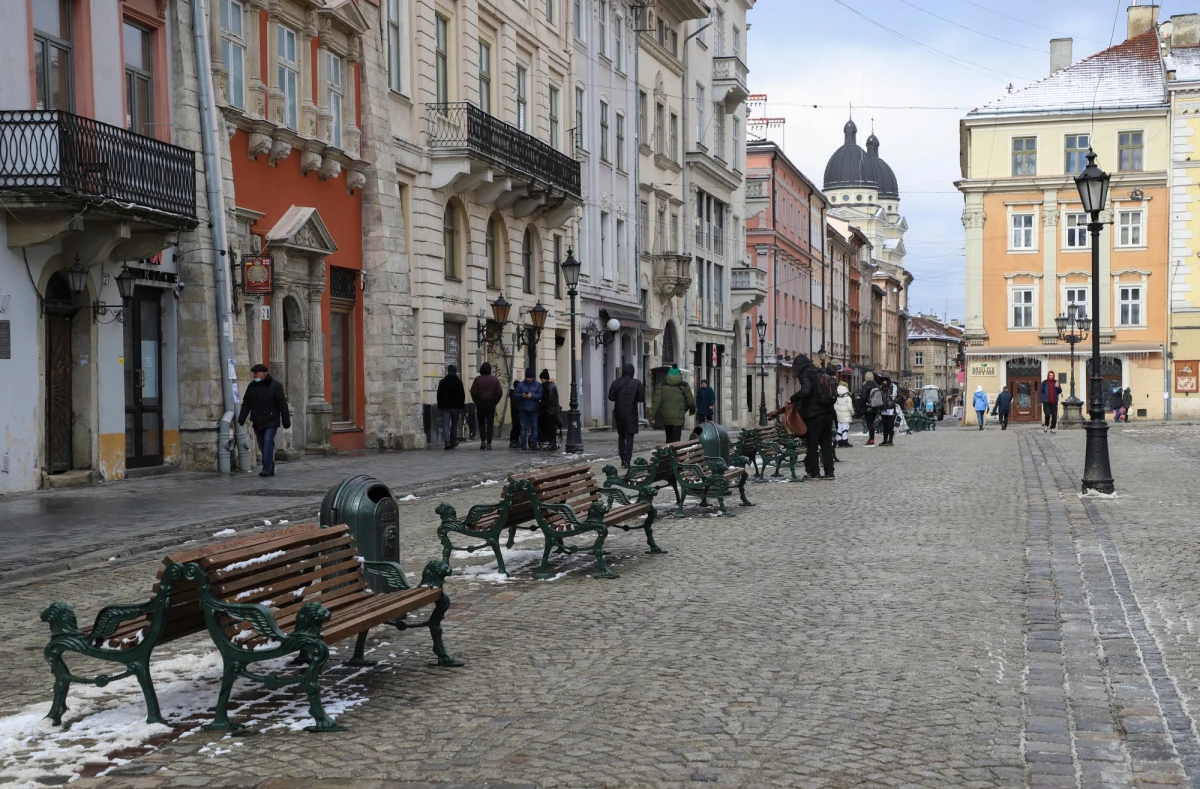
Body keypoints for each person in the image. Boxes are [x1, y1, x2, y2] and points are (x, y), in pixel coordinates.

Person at [237, 363, 290, 477]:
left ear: (264, 373)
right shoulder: (252, 386)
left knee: (267, 442)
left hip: (271, 420)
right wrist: (242, 417)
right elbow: (246, 403)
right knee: (262, 446)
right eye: (253, 373)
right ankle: (270, 467)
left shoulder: (275, 385)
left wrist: (286, 420)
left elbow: (282, 404)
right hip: (257, 420)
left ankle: (266, 468)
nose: (254, 375)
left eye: (256, 373)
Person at [791, 354, 837, 479]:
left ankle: (814, 472)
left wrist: (793, 398)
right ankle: (829, 472)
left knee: (812, 444)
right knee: (826, 444)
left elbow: (806, 391)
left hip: (814, 415)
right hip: (828, 414)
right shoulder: (820, 372)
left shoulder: (806, 374)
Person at [608, 362, 645, 467]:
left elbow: (611, 397)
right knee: (630, 438)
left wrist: (619, 398)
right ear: (632, 371)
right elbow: (641, 398)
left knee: (621, 436)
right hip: (631, 413)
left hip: (619, 413)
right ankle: (628, 460)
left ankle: (622, 459)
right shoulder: (637, 383)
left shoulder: (616, 383)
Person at [649, 365, 695, 443]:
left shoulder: (662, 385)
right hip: (678, 417)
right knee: (677, 440)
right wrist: (691, 410)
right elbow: (690, 401)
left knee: (669, 438)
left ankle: (669, 454)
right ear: (679, 374)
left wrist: (652, 417)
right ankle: (675, 454)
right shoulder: (684, 385)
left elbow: (657, 402)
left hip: (667, 416)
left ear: (669, 374)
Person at [470, 362, 503, 450]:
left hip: (480, 403)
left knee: (481, 423)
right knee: (489, 424)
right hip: (491, 404)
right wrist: (495, 401)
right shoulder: (494, 380)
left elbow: (473, 392)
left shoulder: (477, 379)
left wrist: (476, 401)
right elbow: (499, 392)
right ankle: (489, 443)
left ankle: (483, 442)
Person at [436, 365, 466, 449]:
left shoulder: (442, 382)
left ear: (448, 371)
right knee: (454, 425)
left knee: (446, 424)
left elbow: (439, 395)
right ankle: (453, 441)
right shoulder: (459, 382)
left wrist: (440, 405)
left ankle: (447, 442)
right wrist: (461, 407)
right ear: (455, 371)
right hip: (456, 408)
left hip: (445, 407)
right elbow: (462, 396)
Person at [513, 368, 542, 450]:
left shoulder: (538, 385)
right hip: (523, 409)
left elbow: (540, 396)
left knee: (534, 427)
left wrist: (531, 396)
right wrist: (522, 395)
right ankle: (523, 444)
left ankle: (533, 443)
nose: (529, 379)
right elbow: (515, 395)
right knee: (523, 427)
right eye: (527, 377)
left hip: (534, 409)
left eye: (530, 377)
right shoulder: (521, 385)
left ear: (533, 377)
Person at [538, 369, 561, 450]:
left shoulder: (550, 386)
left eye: (542, 378)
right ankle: (550, 442)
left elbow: (550, 399)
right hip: (547, 410)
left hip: (550, 411)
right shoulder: (546, 386)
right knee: (547, 427)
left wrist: (543, 406)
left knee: (551, 427)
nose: (541, 380)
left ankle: (552, 443)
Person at [860, 372, 880, 446]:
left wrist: (861, 406)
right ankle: (871, 439)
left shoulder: (866, 386)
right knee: (872, 424)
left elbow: (863, 397)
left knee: (870, 424)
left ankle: (871, 440)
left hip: (868, 407)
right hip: (875, 407)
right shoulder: (877, 385)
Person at [834, 379, 855, 448]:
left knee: (839, 428)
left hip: (839, 415)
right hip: (846, 415)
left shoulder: (837, 397)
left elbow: (835, 406)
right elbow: (850, 407)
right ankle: (845, 441)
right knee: (845, 428)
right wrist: (852, 413)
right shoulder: (848, 397)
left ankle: (839, 441)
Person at [879, 376, 899, 445]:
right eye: (883, 380)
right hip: (883, 409)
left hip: (891, 409)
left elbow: (899, 396)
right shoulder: (880, 388)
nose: (884, 381)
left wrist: (893, 402)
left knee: (890, 426)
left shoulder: (893, 387)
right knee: (885, 426)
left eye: (885, 380)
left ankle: (890, 440)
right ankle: (885, 440)